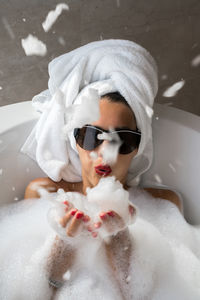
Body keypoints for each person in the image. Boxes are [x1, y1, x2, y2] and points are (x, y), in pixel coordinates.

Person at [22, 40, 182, 298]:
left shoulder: (165, 204)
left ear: (138, 147)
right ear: (75, 141)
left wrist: (119, 241)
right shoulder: (43, 194)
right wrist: (65, 243)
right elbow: (35, 292)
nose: (105, 151)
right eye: (91, 136)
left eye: (123, 139)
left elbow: (155, 292)